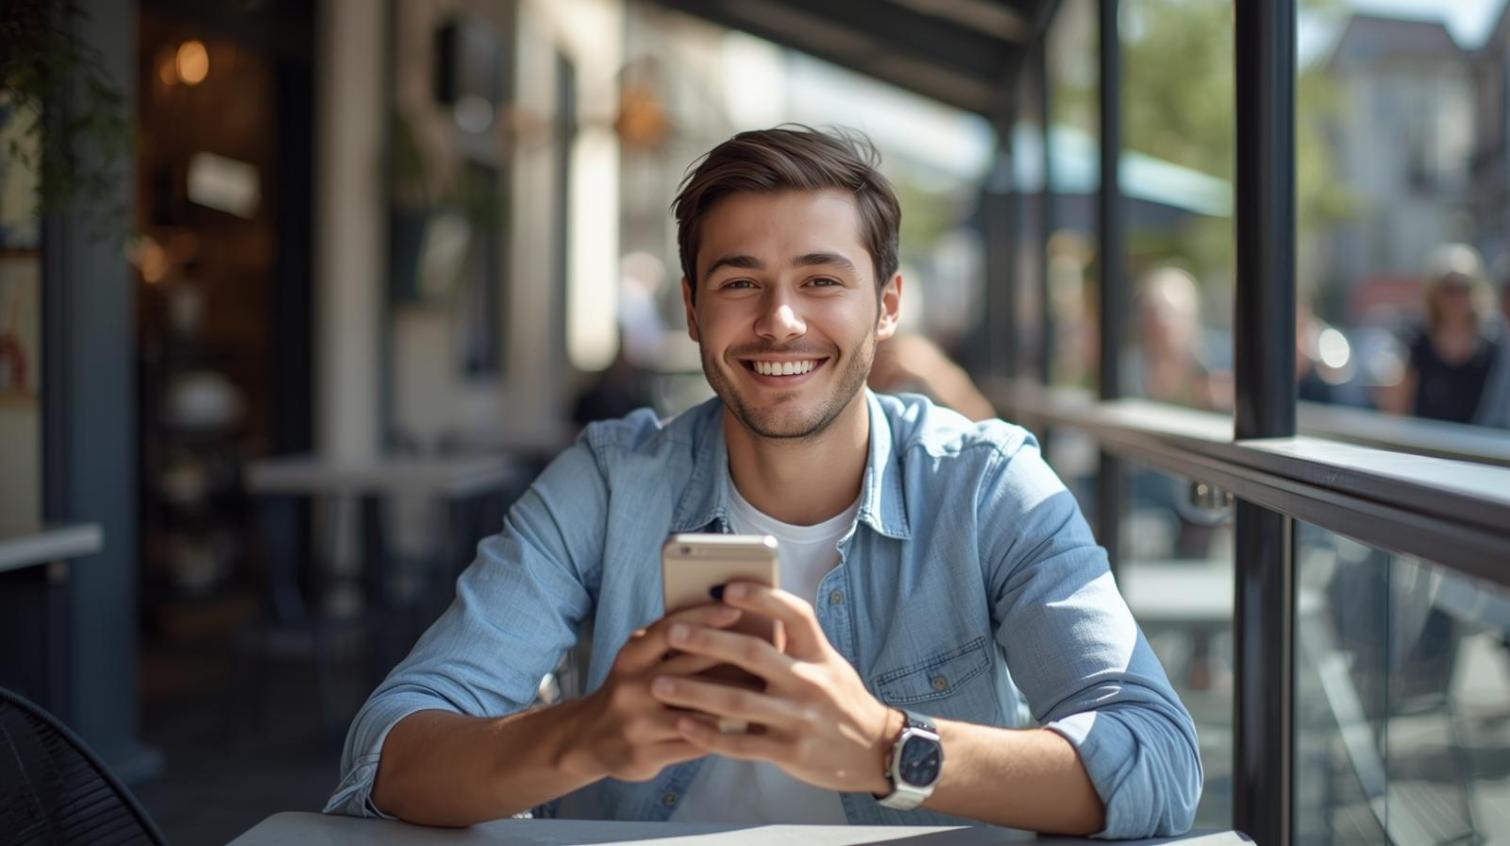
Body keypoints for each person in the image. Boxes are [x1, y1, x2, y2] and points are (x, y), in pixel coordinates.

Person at [326, 127, 1200, 837]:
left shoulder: (988, 485)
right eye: (741, 282)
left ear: (888, 305)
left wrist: (887, 750)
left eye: (822, 280)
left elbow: (1158, 760)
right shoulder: (608, 481)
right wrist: (586, 732)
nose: (780, 320)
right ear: (693, 307)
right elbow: (389, 755)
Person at [1378, 244, 1504, 425]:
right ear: (1433, 292)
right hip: (1426, 445)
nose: (1457, 298)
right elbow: (1395, 408)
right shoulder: (1415, 341)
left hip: (1480, 445)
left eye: (1464, 288)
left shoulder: (1494, 343)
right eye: (1449, 289)